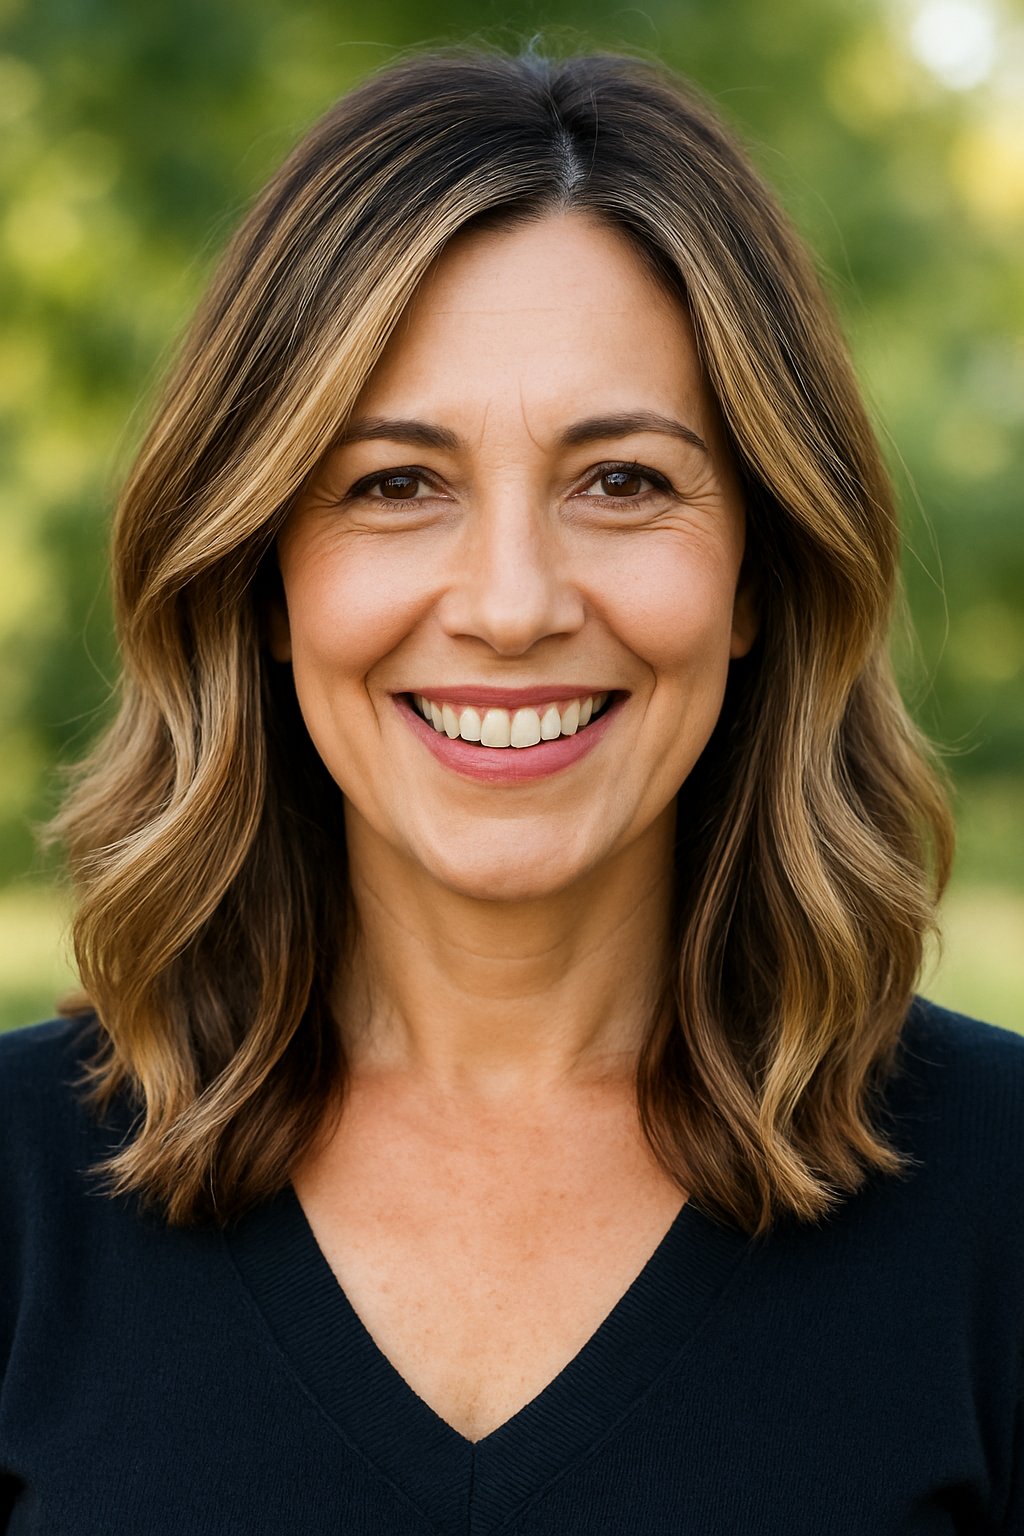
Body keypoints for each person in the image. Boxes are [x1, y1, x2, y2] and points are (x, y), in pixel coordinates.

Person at [1, 44, 1021, 1536]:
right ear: (265, 574)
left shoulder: (1000, 1201)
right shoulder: (20, 1197)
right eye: (394, 484)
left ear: (758, 571)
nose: (512, 602)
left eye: (622, 481)